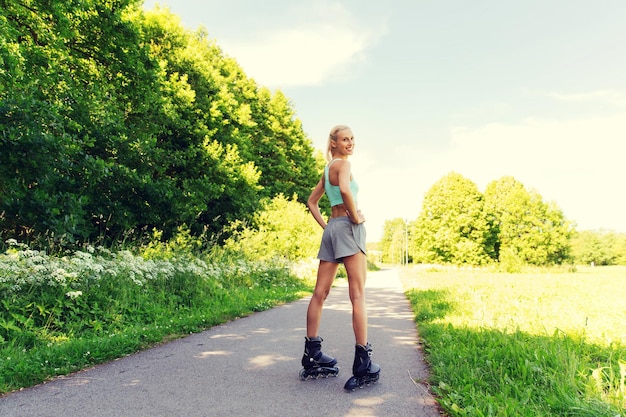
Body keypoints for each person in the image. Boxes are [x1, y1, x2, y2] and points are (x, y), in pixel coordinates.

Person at [299, 124, 380, 390]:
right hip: (347, 226)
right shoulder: (343, 166)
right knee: (357, 295)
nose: (350, 143)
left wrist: (328, 228)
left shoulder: (326, 168)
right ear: (333, 143)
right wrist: (355, 218)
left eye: (352, 139)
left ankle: (312, 355)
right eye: (344, 139)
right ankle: (363, 363)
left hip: (333, 229)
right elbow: (345, 191)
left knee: (319, 293)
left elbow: (312, 202)